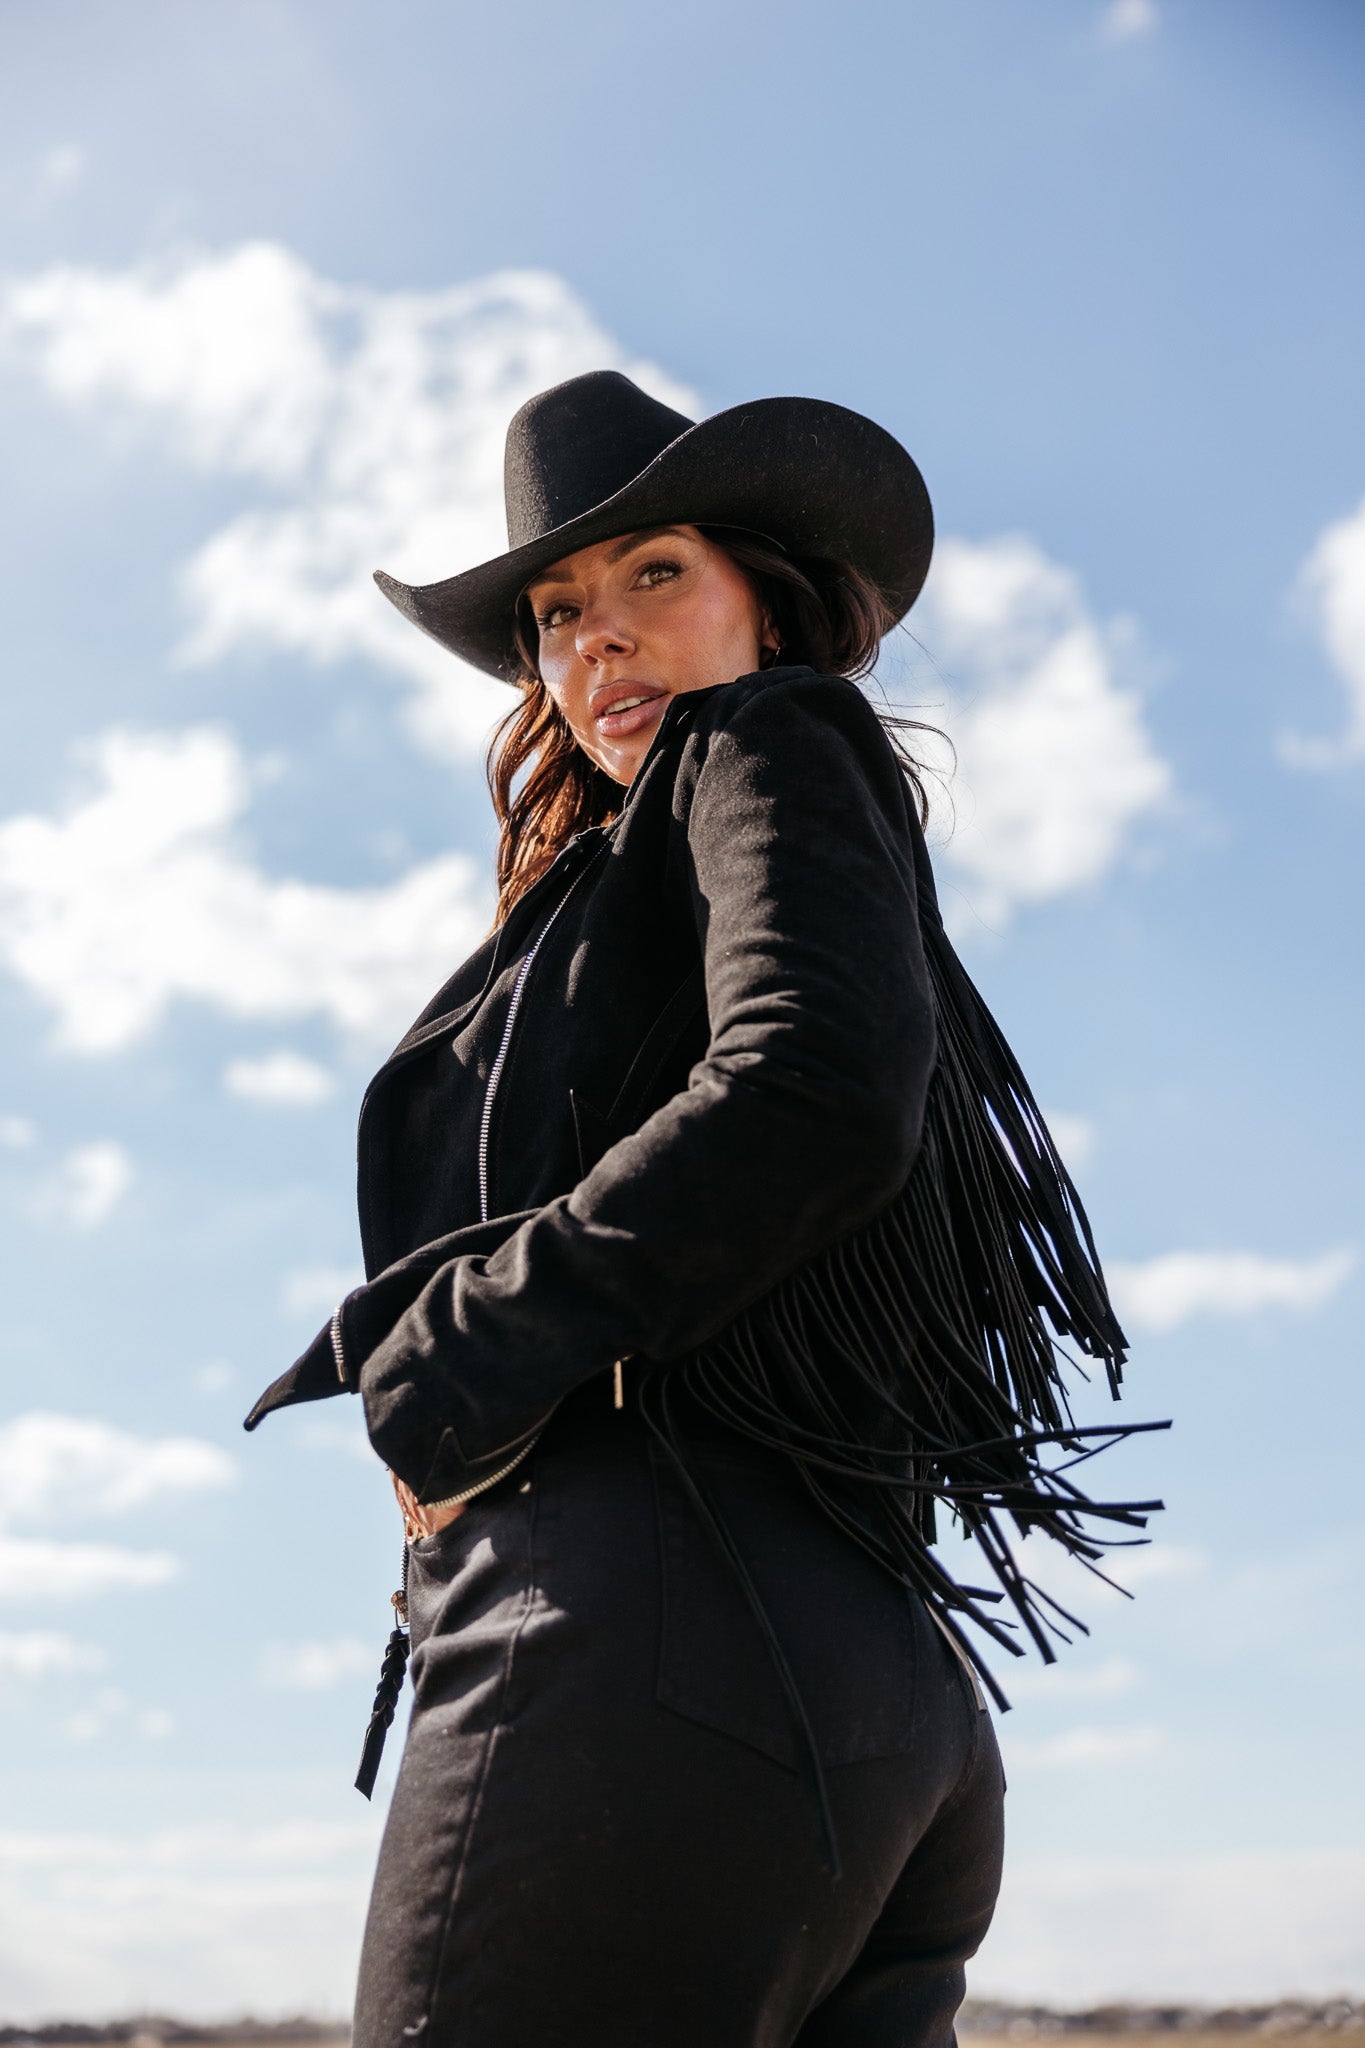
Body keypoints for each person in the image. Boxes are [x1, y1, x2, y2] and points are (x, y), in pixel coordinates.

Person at [245, 371, 1155, 2047]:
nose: (597, 640)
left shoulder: (767, 736)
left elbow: (812, 1084)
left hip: (645, 1648)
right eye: (556, 610)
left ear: (766, 588)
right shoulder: (664, 868)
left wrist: (457, 1350)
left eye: (654, 573)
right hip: (866, 1688)